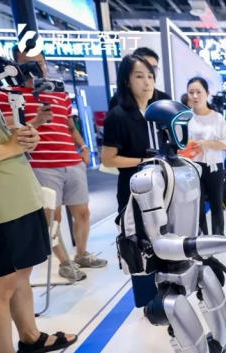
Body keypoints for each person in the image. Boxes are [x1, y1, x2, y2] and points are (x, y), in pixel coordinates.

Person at [0, 89, 77, 353]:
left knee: (21, 273)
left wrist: (23, 138)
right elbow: (3, 147)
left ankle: (30, 337)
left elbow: (0, 139)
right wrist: (12, 146)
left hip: (19, 194)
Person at [0, 48, 107, 282]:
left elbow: (69, 125)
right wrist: (37, 120)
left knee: (83, 212)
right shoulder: (7, 95)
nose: (36, 67)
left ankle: (82, 254)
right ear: (16, 65)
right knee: (52, 218)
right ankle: (65, 263)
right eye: (28, 63)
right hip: (41, 163)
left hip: (71, 160)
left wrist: (83, 147)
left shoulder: (58, 93)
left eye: (40, 62)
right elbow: (9, 130)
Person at [101, 54, 162, 308]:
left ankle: (165, 295)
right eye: (139, 76)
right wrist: (143, 161)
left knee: (162, 238)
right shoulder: (118, 115)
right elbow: (108, 159)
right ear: (127, 81)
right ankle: (148, 302)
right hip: (133, 190)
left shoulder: (158, 111)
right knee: (139, 244)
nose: (147, 82)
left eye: (150, 76)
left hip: (161, 186)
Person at [186, 77, 226, 235]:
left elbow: (225, 144)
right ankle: (201, 241)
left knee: (217, 205)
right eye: (191, 92)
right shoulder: (185, 118)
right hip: (192, 168)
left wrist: (207, 143)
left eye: (198, 92)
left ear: (207, 94)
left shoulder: (217, 118)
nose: (195, 96)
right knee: (197, 207)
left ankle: (218, 239)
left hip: (214, 167)